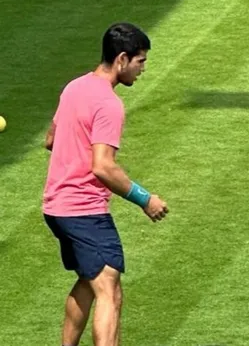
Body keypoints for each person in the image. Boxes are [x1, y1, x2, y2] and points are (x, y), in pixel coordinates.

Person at [43, 22, 169, 346]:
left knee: (89, 281)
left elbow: (50, 140)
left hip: (56, 207)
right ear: (122, 59)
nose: (143, 69)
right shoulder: (109, 104)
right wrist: (145, 199)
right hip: (83, 211)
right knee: (109, 290)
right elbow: (102, 167)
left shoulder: (74, 87)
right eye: (141, 61)